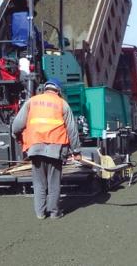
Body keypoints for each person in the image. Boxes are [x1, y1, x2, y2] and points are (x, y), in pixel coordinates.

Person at [12, 79, 81, 219]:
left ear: (45, 88)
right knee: (53, 182)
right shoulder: (63, 104)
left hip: (35, 148)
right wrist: (76, 151)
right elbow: (72, 130)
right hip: (56, 148)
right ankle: (55, 212)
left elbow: (17, 124)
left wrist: (15, 135)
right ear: (58, 91)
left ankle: (40, 213)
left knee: (39, 183)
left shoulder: (32, 101)